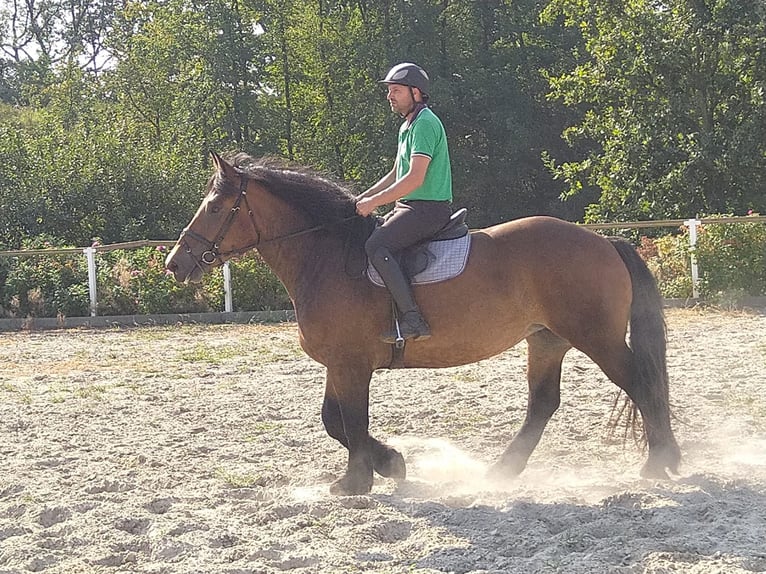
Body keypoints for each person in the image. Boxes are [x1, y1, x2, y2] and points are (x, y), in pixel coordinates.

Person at [356, 62, 453, 343]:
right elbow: (397, 171)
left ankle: (413, 319)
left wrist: (374, 203)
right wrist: (364, 196)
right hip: (411, 207)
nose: (390, 96)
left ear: (416, 92)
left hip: (427, 208)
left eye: (396, 90)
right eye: (389, 91)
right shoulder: (407, 126)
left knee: (376, 245)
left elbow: (414, 178)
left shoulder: (425, 123)